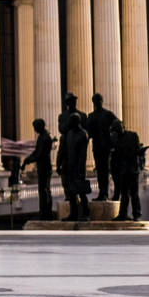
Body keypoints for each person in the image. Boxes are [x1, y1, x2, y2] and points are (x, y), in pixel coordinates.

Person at [58, 94, 91, 222]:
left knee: (81, 190)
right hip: (69, 161)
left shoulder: (83, 134)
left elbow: (82, 154)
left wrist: (81, 167)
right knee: (71, 190)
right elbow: (62, 133)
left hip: (78, 164)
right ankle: (74, 213)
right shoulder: (68, 133)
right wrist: (60, 163)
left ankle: (86, 213)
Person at [110, 119, 143, 222]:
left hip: (132, 169)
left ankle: (137, 215)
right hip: (123, 170)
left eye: (119, 128)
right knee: (124, 194)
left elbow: (137, 150)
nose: (118, 130)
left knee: (134, 193)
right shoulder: (116, 139)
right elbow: (115, 156)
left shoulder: (133, 135)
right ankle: (123, 214)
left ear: (122, 127)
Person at [86, 93, 116, 202]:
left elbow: (117, 126)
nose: (97, 103)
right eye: (95, 101)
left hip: (106, 147)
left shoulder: (108, 115)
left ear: (101, 101)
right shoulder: (91, 116)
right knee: (100, 171)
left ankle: (105, 193)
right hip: (98, 147)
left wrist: (113, 141)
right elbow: (87, 133)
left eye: (99, 100)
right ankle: (102, 192)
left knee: (105, 170)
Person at [29, 118, 55, 220]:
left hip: (45, 167)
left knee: (45, 190)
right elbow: (36, 152)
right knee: (43, 190)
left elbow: (39, 154)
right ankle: (43, 212)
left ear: (40, 126)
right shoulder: (41, 137)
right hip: (42, 166)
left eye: (35, 127)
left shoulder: (45, 138)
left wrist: (28, 160)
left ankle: (46, 213)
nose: (34, 130)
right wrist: (28, 159)